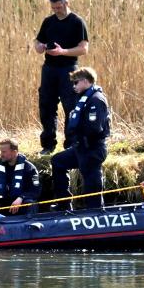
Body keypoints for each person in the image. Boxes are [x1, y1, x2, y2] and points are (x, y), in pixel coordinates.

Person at [33, 0, 90, 155]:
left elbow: (83, 49)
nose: (56, 10)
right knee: (46, 106)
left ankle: (71, 145)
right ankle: (48, 145)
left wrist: (62, 52)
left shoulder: (77, 22)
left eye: (59, 7)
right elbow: (37, 43)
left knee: (70, 107)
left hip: (69, 69)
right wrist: (40, 47)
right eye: (53, 7)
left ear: (66, 3)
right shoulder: (48, 21)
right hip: (49, 69)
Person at [49, 67, 110, 210]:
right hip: (81, 147)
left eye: (76, 82)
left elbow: (94, 128)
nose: (74, 86)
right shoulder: (83, 98)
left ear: (85, 81)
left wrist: (78, 132)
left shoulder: (96, 100)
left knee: (91, 179)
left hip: (93, 149)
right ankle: (63, 204)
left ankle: (95, 211)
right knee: (58, 161)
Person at [0, 139, 41, 215]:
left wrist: (21, 198)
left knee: (30, 204)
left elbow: (36, 190)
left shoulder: (30, 169)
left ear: (14, 152)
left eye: (4, 152)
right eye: (1, 152)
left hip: (21, 203)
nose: (1, 155)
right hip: (3, 203)